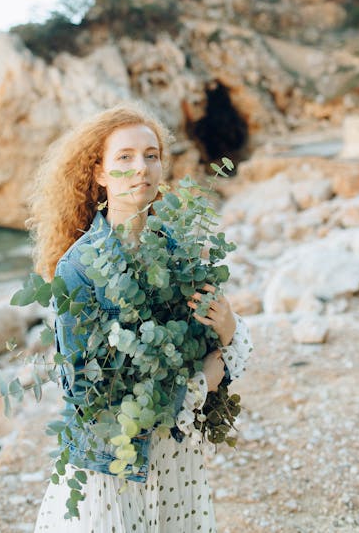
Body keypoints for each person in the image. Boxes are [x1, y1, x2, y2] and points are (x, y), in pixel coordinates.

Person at [30, 103, 253, 532]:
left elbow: (220, 356)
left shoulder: (181, 251)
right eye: (125, 157)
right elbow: (83, 391)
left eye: (151, 155)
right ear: (98, 173)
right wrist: (196, 387)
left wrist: (228, 327)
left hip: (177, 460)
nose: (141, 168)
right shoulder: (77, 269)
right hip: (113, 464)